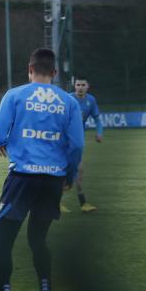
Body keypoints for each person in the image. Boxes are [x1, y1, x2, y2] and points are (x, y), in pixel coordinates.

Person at [0, 48, 84, 291]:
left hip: (21, 177)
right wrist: (70, 174)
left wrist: (3, 139)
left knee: (4, 243)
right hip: (52, 180)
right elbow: (76, 145)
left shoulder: (15, 95)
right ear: (54, 72)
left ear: (29, 69)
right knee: (38, 239)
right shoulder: (69, 102)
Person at [61, 76, 103, 213]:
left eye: (82, 85)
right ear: (75, 86)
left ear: (87, 86)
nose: (80, 87)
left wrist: (99, 133)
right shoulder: (67, 98)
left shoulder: (91, 100)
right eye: (78, 84)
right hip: (64, 141)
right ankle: (54, 202)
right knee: (65, 172)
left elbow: (97, 119)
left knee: (78, 172)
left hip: (77, 141)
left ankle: (83, 204)